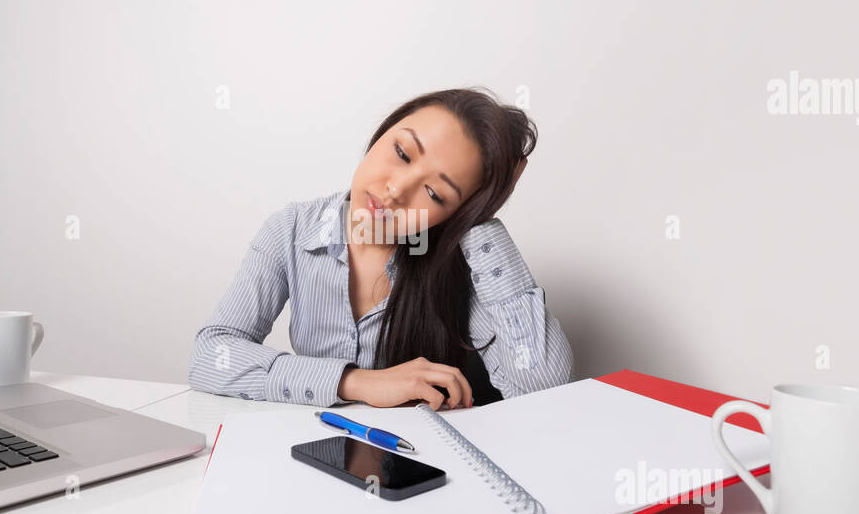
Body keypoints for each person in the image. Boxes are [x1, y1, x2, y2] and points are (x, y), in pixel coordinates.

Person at [188, 87, 574, 410]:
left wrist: (484, 212)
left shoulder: (457, 264)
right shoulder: (291, 231)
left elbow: (542, 391)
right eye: (403, 153)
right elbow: (210, 357)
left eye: (436, 193)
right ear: (381, 134)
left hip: (419, 474)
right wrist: (356, 383)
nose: (396, 190)